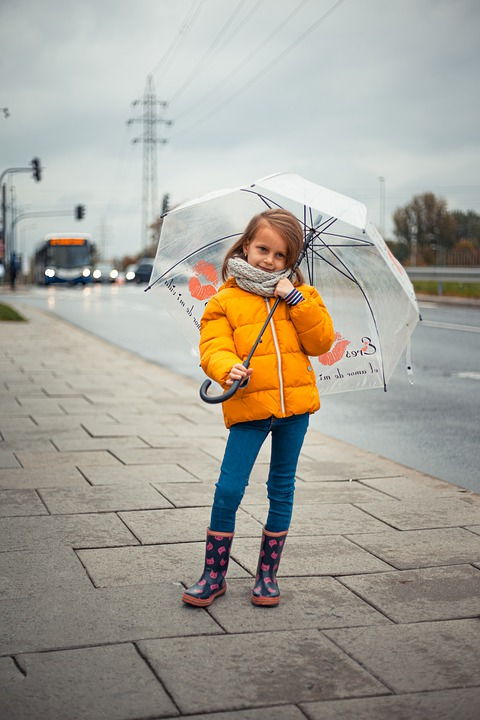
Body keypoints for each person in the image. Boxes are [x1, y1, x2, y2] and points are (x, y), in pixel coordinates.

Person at [182, 208, 335, 608]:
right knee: (229, 488)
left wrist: (295, 300)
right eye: (263, 249)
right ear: (247, 245)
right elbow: (212, 346)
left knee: (281, 489)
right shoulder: (225, 299)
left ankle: (267, 575)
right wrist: (225, 367)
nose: (269, 260)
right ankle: (214, 574)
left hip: (294, 411)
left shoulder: (303, 298)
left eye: (280, 255)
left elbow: (321, 343)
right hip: (249, 408)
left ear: (291, 261)